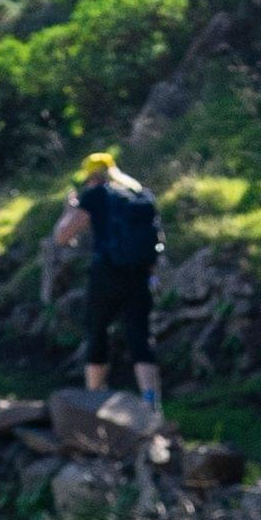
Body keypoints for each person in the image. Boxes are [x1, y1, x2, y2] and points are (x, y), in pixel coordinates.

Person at [50, 148, 170, 408]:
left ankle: (94, 401)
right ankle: (151, 402)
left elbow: (62, 236)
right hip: (139, 274)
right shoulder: (138, 194)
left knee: (97, 331)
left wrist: (68, 210)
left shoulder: (94, 195)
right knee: (140, 334)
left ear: (91, 176)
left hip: (106, 273)